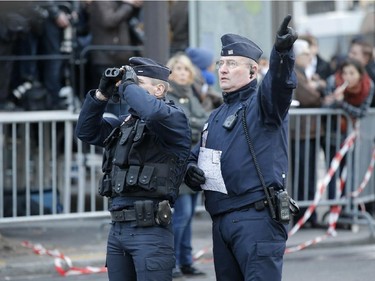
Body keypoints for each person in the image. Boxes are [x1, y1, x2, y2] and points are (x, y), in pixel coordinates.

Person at [183, 15, 298, 281]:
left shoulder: (263, 105)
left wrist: (281, 54)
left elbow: (280, 86)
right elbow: (199, 154)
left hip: (255, 218)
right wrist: (190, 168)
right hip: (222, 219)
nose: (223, 69)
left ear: (252, 72)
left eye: (232, 64)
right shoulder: (216, 115)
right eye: (221, 63)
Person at [75, 57, 192, 281]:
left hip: (150, 231)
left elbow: (153, 113)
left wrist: (128, 84)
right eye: (128, 83)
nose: (128, 87)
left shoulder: (173, 119)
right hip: (118, 228)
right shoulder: (125, 123)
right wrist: (101, 95)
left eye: (137, 83)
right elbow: (86, 132)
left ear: (159, 89)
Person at [165, 52, 208, 278]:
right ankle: (171, 263)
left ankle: (186, 261)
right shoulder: (169, 96)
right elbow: (181, 126)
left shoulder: (191, 95)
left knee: (188, 216)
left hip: (192, 164)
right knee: (182, 216)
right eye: (178, 68)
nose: (182, 73)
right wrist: (198, 126)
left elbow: (205, 121)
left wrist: (196, 125)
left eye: (185, 69)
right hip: (178, 164)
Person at [323, 58, 374, 200]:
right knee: (333, 172)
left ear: (360, 74)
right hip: (333, 133)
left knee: (350, 173)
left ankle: (347, 208)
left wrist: (341, 104)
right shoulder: (333, 82)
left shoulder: (368, 86)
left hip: (355, 135)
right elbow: (325, 108)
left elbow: (362, 112)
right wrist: (334, 100)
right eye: (345, 73)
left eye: (352, 73)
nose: (347, 77)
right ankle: (334, 206)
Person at [87, 0, 143, 115]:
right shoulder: (101, 2)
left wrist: (135, 7)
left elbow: (129, 19)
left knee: (122, 98)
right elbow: (110, 21)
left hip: (118, 57)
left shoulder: (118, 3)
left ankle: (121, 127)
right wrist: (128, 5)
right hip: (106, 58)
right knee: (108, 99)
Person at [289, 39, 323, 228]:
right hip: (300, 132)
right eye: (306, 54)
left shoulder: (303, 72)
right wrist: (319, 90)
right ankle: (304, 215)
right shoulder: (295, 72)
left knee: (308, 176)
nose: (310, 57)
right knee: (302, 176)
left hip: (306, 131)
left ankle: (309, 214)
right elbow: (308, 96)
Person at [186, 47, 223, 112]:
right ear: (205, 65)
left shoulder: (202, 82)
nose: (214, 67)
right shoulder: (196, 83)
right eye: (213, 63)